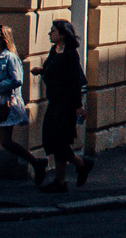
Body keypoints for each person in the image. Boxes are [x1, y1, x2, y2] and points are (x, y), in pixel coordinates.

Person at [0, 25, 41, 188]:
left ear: (1, 39)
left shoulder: (10, 57)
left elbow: (17, 80)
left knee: (5, 141)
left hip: (7, 103)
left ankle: (36, 163)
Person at [35, 17, 95, 193]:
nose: (50, 33)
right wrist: (41, 71)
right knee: (54, 141)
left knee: (59, 142)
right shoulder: (55, 50)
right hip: (55, 102)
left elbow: (74, 81)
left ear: (62, 34)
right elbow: (53, 70)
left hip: (66, 105)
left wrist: (78, 106)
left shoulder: (70, 54)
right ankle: (60, 181)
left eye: (53, 31)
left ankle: (81, 164)